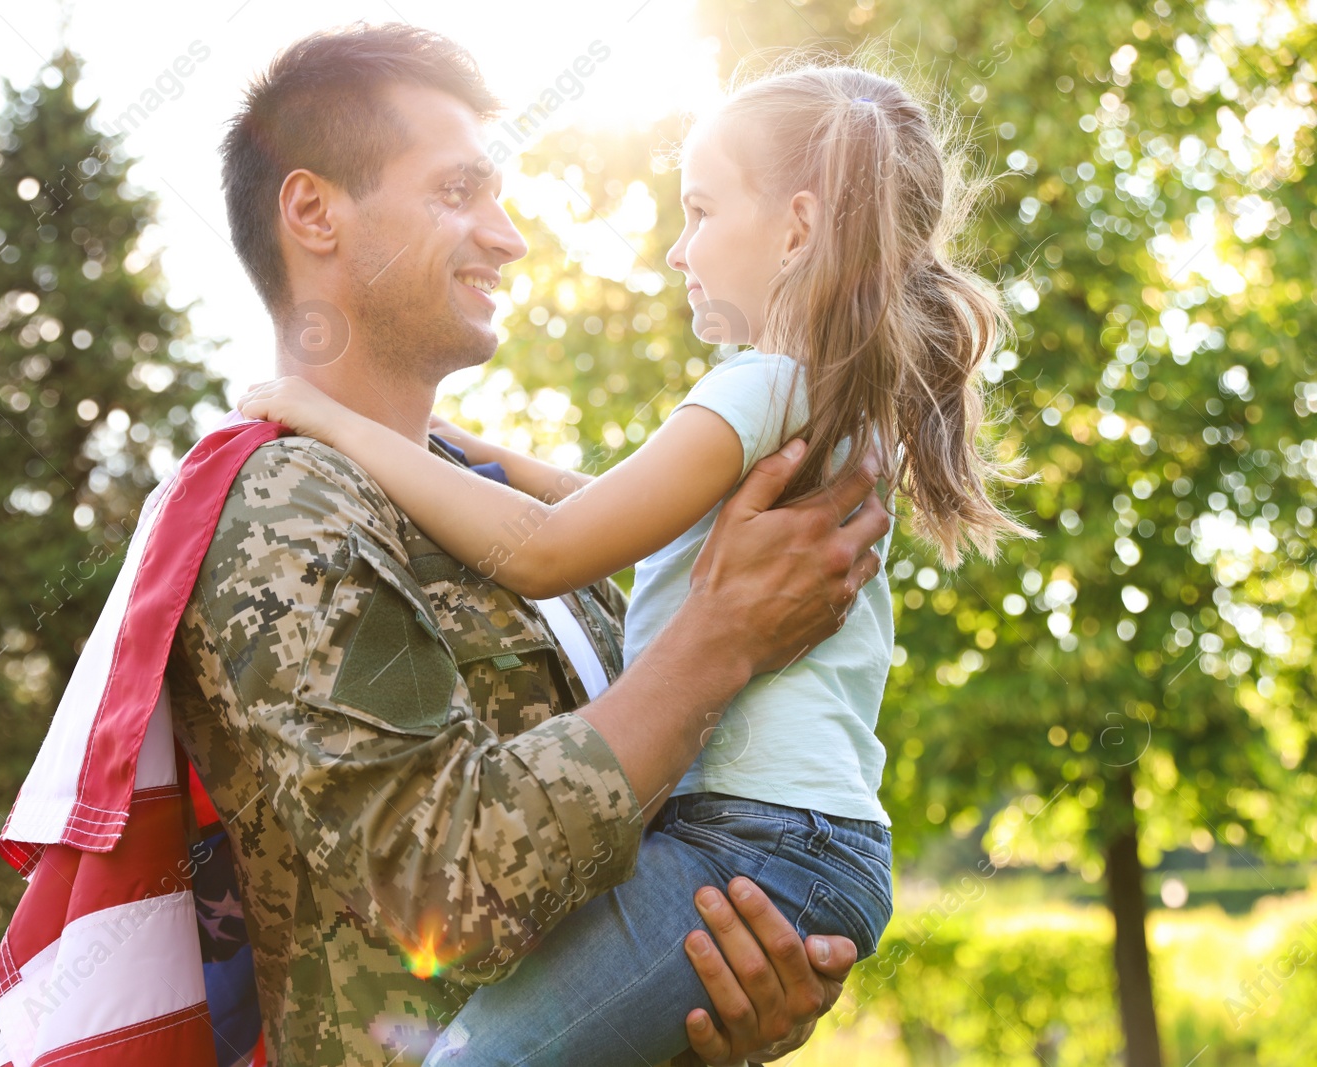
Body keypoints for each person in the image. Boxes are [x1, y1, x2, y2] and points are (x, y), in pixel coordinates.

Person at [237, 56, 1032, 1066]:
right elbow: (610, 508)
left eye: (699, 211)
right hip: (797, 841)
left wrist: (326, 419)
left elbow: (549, 551)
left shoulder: (757, 388)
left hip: (750, 839)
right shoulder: (818, 396)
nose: (674, 249)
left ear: (794, 229)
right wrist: (474, 455)